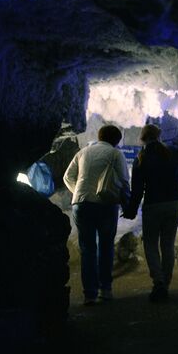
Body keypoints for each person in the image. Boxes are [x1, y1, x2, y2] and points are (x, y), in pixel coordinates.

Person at [122, 124, 178, 302]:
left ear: (142, 138)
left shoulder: (140, 158)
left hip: (154, 205)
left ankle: (158, 282)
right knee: (167, 244)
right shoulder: (171, 152)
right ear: (159, 136)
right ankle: (166, 283)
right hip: (175, 203)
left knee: (150, 244)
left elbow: (137, 191)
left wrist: (131, 210)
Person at [64, 125, 130, 305]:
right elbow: (124, 181)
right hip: (106, 204)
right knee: (106, 247)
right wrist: (127, 203)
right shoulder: (116, 154)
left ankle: (89, 294)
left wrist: (78, 191)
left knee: (87, 249)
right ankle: (105, 290)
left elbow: (67, 177)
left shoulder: (83, 152)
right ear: (116, 140)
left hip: (81, 204)